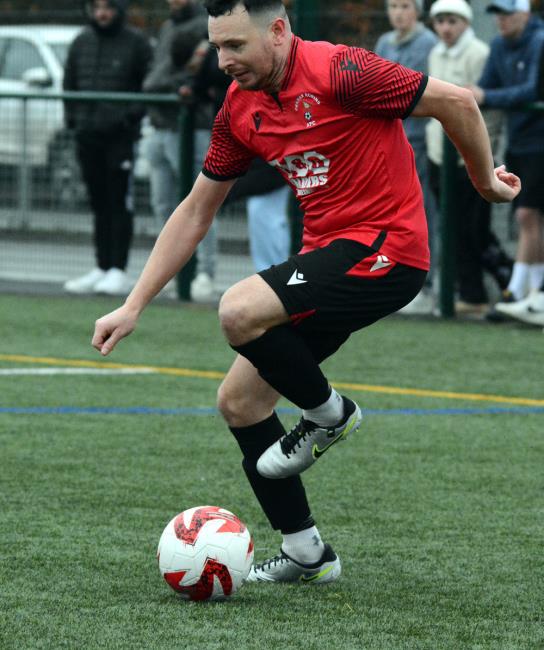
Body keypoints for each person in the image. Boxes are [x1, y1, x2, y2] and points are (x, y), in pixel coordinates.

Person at [92, 0, 520, 584]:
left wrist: (486, 182)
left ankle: (329, 416)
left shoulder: (343, 70)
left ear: (278, 29)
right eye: (218, 46)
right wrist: (133, 302)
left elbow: (457, 101)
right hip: (330, 259)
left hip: (387, 250)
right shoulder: (240, 110)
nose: (223, 60)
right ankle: (307, 553)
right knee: (240, 403)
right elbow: (196, 209)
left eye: (235, 45)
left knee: (238, 310)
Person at [426, 0, 513, 315]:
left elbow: (480, 109)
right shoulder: (435, 53)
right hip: (441, 156)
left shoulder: (479, 53)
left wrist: (483, 150)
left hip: (469, 159)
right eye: (440, 21)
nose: (446, 28)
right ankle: (470, 292)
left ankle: (505, 279)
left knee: (474, 229)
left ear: (465, 22)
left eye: (452, 21)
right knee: (453, 229)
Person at [63, 0, 152, 295]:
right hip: (87, 136)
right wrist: (75, 122)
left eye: (107, 7)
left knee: (118, 201)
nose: (102, 13)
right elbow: (70, 84)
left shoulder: (136, 43)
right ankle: (101, 266)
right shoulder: (81, 42)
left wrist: (127, 119)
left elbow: (146, 88)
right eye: (97, 7)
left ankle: (118, 269)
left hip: (120, 139)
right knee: (98, 202)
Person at [467, 0, 544, 318]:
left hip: (540, 143)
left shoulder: (540, 42)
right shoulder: (499, 44)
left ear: (525, 14)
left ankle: (519, 290)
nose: (500, 20)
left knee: (527, 216)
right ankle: (531, 295)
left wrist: (487, 97)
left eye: (507, 13)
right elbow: (486, 87)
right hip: (520, 142)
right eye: (497, 13)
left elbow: (531, 91)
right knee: (529, 218)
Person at [189, 43, 291, 271]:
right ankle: (202, 274)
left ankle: (277, 281)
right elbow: (198, 85)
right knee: (198, 206)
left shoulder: (271, 45)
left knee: (264, 213)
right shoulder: (212, 46)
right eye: (218, 48)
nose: (225, 61)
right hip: (236, 138)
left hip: (272, 143)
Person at [142, 0, 218, 303]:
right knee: (163, 205)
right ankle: (170, 274)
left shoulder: (206, 24)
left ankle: (203, 273)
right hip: (160, 123)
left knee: (199, 205)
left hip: (190, 127)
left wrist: (161, 86)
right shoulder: (168, 26)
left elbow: (194, 74)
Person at [375, 0, 438, 315]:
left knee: (424, 213)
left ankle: (428, 285)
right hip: (388, 144)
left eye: (405, 5)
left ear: (417, 10)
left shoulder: (428, 43)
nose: (398, 12)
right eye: (393, 6)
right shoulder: (384, 42)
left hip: (418, 142)